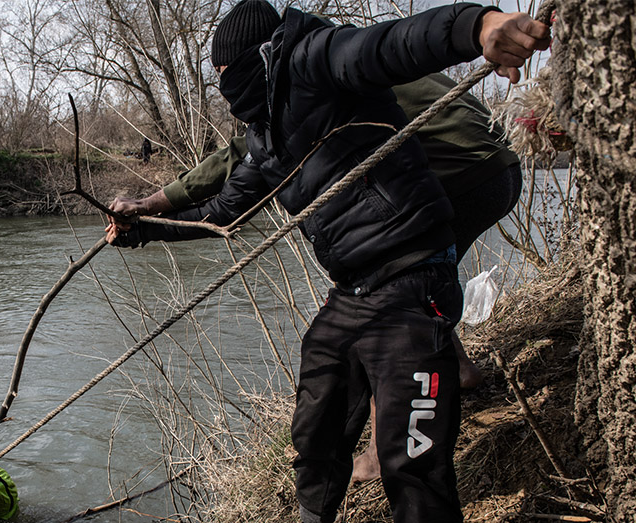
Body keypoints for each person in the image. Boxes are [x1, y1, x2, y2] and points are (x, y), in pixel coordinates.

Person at [104, 1, 548, 523]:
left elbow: (396, 43)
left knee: (409, 457)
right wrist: (145, 230)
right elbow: (225, 212)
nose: (224, 88)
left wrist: (480, 28)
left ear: (257, 61)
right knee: (314, 432)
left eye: (226, 75)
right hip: (354, 292)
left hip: (413, 280)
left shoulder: (317, 61)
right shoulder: (268, 133)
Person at [110, 70, 522, 483]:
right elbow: (233, 184)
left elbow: (234, 161)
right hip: (501, 166)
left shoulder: (305, 82)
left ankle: (382, 451)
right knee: (419, 281)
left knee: (387, 295)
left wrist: (148, 205)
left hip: (460, 170)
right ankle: (459, 369)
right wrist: (149, 217)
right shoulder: (328, 62)